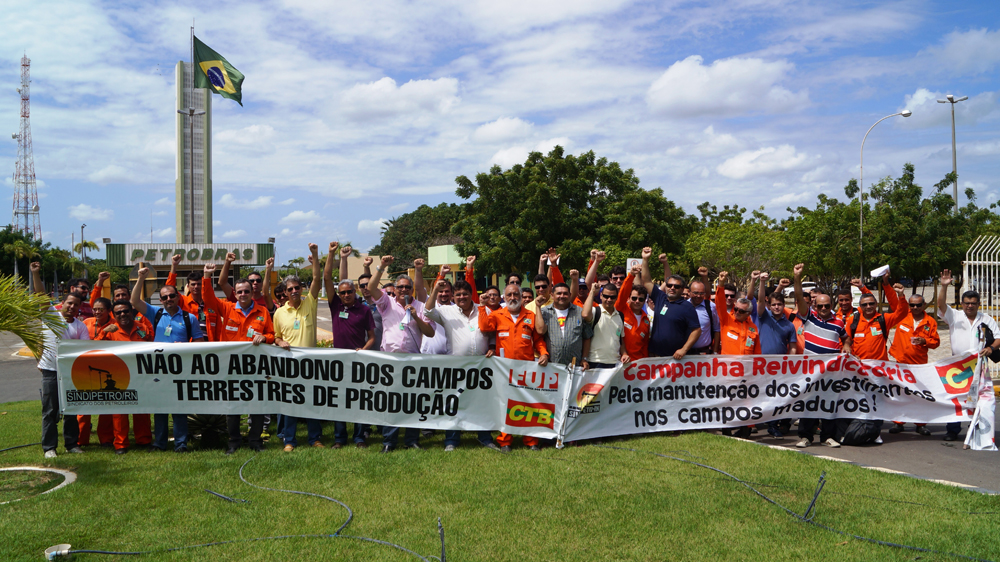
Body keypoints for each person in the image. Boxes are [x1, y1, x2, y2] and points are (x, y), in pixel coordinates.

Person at [202, 262, 275, 454]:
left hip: (255, 366)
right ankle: (233, 442)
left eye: (246, 291)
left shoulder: (262, 312)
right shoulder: (226, 308)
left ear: (252, 293)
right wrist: (207, 277)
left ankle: (255, 441)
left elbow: (272, 334)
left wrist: (265, 337)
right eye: (240, 292)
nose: (243, 295)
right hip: (231, 367)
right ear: (235, 293)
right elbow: (208, 299)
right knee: (233, 406)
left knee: (257, 405)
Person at [366, 255, 435, 452]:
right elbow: (371, 287)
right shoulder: (386, 303)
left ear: (412, 290)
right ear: (395, 289)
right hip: (391, 360)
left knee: (412, 401)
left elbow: (430, 332)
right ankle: (389, 441)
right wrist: (381, 266)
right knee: (392, 401)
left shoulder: (420, 307)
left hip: (412, 359)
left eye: (407, 287)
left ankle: (411, 440)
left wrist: (415, 316)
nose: (404, 290)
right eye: (400, 287)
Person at [132, 267, 205, 453]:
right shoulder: (155, 313)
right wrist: (140, 279)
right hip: (159, 368)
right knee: (160, 407)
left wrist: (185, 347)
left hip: (181, 369)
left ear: (178, 296)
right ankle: (160, 443)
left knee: (179, 407)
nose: (168, 299)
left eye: (171, 296)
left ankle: (181, 444)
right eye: (164, 297)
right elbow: (134, 301)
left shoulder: (190, 318)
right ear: (160, 300)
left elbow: (199, 342)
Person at [425, 279, 499, 451]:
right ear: (453, 296)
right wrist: (435, 290)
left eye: (465, 294)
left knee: (482, 403)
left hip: (481, 365)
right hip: (456, 366)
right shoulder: (446, 311)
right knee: (453, 403)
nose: (461, 297)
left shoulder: (484, 309)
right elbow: (427, 311)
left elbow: (492, 332)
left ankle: (485, 438)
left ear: (471, 295)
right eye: (457, 295)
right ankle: (451, 440)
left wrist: (492, 347)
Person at [480, 283, 549, 451]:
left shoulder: (530, 315)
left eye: (516, 294)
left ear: (521, 297)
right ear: (504, 297)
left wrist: (544, 353)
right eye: (509, 295)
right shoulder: (497, 315)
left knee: (528, 404)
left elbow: (538, 340)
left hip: (526, 368)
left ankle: (531, 440)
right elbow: (484, 327)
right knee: (505, 405)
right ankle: (505, 441)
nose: (513, 298)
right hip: (504, 370)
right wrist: (482, 307)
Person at [31, 262, 89, 458]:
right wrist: (35, 273)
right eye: (69, 303)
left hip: (71, 373)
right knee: (50, 411)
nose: (72, 307)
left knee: (71, 409)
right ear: (62, 303)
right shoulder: (50, 315)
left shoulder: (81, 327)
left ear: (79, 308)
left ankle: (71, 444)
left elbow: (83, 351)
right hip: (50, 371)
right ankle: (49, 448)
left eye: (76, 305)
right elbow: (40, 295)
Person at [323, 242, 377, 448]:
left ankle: (359, 437)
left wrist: (364, 351)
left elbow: (371, 337)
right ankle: (339, 438)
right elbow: (327, 278)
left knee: (359, 399)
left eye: (349, 292)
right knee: (339, 400)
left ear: (355, 292)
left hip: (358, 360)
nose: (346, 295)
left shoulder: (364, 310)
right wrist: (331, 254)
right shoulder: (335, 305)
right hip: (339, 361)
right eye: (343, 292)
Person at [936, 269, 1000, 441]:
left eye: (973, 303)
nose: (969, 306)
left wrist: (991, 348)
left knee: (979, 398)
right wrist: (944, 286)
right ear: (962, 303)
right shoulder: (954, 316)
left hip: (979, 366)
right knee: (956, 398)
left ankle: (978, 429)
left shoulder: (987, 319)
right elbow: (941, 305)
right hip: (957, 366)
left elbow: (998, 338)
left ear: (978, 304)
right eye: (966, 303)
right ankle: (952, 430)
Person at [273, 244, 325, 452]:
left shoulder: (310, 303)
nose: (294, 291)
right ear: (285, 292)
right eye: (290, 289)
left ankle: (315, 439)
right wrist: (280, 342)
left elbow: (317, 279)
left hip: (310, 364)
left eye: (297, 287)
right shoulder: (279, 313)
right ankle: (289, 440)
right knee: (290, 403)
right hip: (289, 365)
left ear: (301, 288)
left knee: (311, 402)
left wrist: (315, 255)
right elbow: (276, 337)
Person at [793, 263, 851, 449]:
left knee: (829, 403)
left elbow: (846, 338)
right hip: (811, 370)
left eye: (827, 305)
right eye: (820, 306)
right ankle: (805, 437)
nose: (824, 308)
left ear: (831, 306)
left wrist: (847, 346)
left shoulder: (838, 322)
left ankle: (827, 437)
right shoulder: (809, 317)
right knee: (809, 403)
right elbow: (799, 297)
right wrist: (797, 277)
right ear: (814, 306)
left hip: (831, 371)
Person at [102, 300, 155, 454]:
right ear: (113, 315)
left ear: (132, 311)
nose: (123, 314)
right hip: (119, 376)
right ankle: (120, 444)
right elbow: (96, 349)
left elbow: (154, 347)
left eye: (125, 311)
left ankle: (143, 440)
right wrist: (103, 332)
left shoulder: (143, 328)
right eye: (118, 312)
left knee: (142, 409)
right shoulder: (110, 330)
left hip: (140, 375)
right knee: (119, 411)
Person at [887, 293, 940, 435]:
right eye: (912, 305)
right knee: (900, 395)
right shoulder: (902, 316)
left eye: (918, 305)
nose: (915, 307)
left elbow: (936, 342)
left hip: (919, 365)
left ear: (924, 305)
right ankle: (898, 423)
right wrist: (898, 293)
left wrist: (925, 341)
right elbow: (893, 300)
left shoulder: (930, 322)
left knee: (920, 396)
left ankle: (920, 424)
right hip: (901, 363)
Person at [639, 248, 700, 359]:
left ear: (682, 289)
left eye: (676, 286)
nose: (672, 288)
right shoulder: (660, 298)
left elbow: (696, 330)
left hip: (676, 359)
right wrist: (645, 259)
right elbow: (646, 281)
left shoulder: (687, 306)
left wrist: (684, 349)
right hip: (655, 356)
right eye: (669, 285)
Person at [756, 273, 796, 437]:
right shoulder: (763, 317)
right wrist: (762, 281)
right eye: (774, 304)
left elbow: (792, 347)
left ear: (783, 305)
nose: (777, 307)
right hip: (760, 364)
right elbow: (760, 301)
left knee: (775, 396)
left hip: (779, 367)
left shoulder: (789, 325)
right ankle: (751, 423)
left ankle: (773, 426)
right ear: (769, 305)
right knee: (759, 394)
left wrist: (790, 364)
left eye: (779, 304)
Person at [78, 297, 116, 447]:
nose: (97, 312)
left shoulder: (116, 325)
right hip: (86, 369)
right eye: (95, 309)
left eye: (101, 309)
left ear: (109, 311)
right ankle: (81, 440)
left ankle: (106, 439)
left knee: (106, 405)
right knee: (83, 404)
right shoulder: (86, 323)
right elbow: (85, 347)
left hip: (108, 368)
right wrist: (103, 333)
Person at [846, 270, 907, 362]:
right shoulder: (853, 320)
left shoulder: (884, 319)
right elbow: (846, 340)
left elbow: (902, 313)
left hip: (880, 366)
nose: (868, 306)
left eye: (871, 304)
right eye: (864, 305)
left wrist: (901, 295)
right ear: (860, 306)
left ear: (876, 304)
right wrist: (851, 354)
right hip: (859, 365)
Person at [538, 279, 593, 369]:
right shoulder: (544, 312)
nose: (562, 296)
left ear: (570, 295)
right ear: (552, 295)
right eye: (559, 293)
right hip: (550, 366)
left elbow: (587, 337)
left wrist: (584, 358)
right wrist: (543, 354)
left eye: (565, 294)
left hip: (575, 365)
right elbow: (539, 336)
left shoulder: (580, 312)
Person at [165, 254, 216, 341]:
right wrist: (174, 266)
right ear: (188, 286)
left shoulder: (211, 303)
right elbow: (169, 289)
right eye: (193, 284)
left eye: (199, 284)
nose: (196, 287)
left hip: (210, 346)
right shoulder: (182, 301)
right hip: (189, 346)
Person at [582, 282, 626, 368]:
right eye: (606, 296)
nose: (609, 299)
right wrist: (592, 292)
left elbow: (620, 339)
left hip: (615, 363)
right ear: (601, 296)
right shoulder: (595, 311)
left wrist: (624, 353)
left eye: (612, 297)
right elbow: (585, 315)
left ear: (616, 298)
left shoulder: (620, 315)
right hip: (595, 362)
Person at [615, 265, 651, 361]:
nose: (637, 301)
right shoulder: (621, 309)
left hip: (638, 363)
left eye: (640, 299)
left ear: (644, 301)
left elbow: (645, 345)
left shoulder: (646, 320)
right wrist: (631, 275)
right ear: (628, 298)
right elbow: (623, 293)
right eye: (634, 298)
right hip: (620, 361)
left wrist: (645, 361)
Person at [688, 267, 720, 355]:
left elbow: (717, 329)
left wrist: (715, 352)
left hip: (704, 354)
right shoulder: (683, 306)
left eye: (701, 293)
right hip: (684, 354)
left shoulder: (711, 307)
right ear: (689, 292)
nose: (698, 296)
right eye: (695, 293)